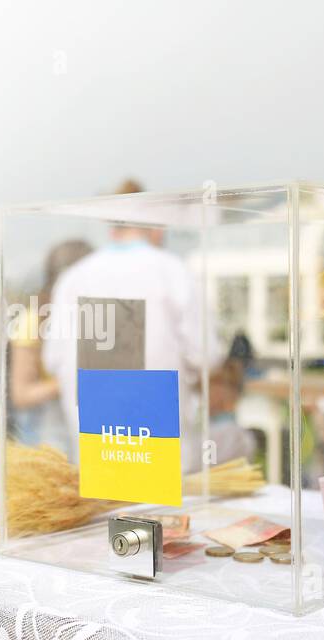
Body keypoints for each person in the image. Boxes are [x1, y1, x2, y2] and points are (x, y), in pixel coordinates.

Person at [42, 179, 221, 469]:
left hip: (97, 449)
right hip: (161, 451)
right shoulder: (172, 272)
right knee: (160, 514)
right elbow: (206, 355)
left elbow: (53, 360)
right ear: (157, 225)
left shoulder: (74, 278)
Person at [10, 239, 92, 447]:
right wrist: (70, 382)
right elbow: (21, 394)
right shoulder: (32, 320)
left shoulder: (97, 317)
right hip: (46, 427)